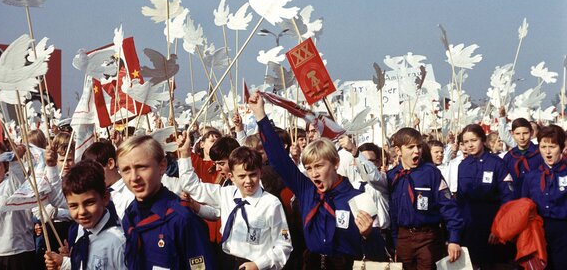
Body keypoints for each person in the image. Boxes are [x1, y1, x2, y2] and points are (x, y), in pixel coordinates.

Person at [248, 91, 378, 269]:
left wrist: (369, 234)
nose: (313, 173)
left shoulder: (357, 198)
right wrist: (260, 116)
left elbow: (378, 252)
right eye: (309, 168)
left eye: (319, 166)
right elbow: (280, 160)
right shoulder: (307, 191)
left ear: (336, 164)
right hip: (312, 263)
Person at [179, 141, 293, 270]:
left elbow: (284, 245)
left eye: (253, 175)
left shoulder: (271, 204)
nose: (248, 181)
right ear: (231, 177)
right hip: (227, 260)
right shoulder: (226, 193)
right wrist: (184, 154)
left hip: (255, 264)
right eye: (242, 176)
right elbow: (191, 186)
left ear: (260, 173)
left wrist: (258, 265)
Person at [117, 135, 215, 269]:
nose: (134, 177)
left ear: (162, 166)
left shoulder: (182, 219)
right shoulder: (130, 215)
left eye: (142, 167)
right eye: (126, 170)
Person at [387, 127, 463, 269]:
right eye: (410, 147)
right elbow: (393, 212)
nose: (416, 151)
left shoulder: (431, 173)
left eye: (419, 146)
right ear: (398, 151)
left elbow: (448, 206)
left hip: (428, 237)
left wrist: (454, 239)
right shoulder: (392, 176)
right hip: (403, 239)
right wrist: (395, 241)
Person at [44, 160, 126, 270]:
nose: (82, 211)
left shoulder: (118, 242)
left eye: (89, 202)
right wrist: (63, 263)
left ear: (105, 198)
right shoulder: (82, 231)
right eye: (73, 205)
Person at [456, 124, 515, 267]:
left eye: (474, 140)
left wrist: (498, 228)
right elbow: (460, 200)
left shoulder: (497, 163)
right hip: (470, 227)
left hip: (492, 226)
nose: (470, 145)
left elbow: (508, 198)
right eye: (466, 142)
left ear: (483, 140)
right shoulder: (462, 166)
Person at [521, 125, 567, 270]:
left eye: (552, 146)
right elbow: (524, 205)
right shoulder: (532, 176)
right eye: (543, 146)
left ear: (561, 147)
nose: (547, 151)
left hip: (563, 229)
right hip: (538, 230)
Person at [81, 141, 134, 221]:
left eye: (95, 170)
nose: (91, 177)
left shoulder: (131, 194)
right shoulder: (94, 192)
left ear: (110, 163)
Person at [502, 118, 542, 198]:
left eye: (525, 133)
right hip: (516, 201)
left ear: (531, 133)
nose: (522, 137)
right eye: (517, 134)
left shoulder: (540, 153)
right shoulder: (509, 157)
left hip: (538, 200)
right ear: (512, 134)